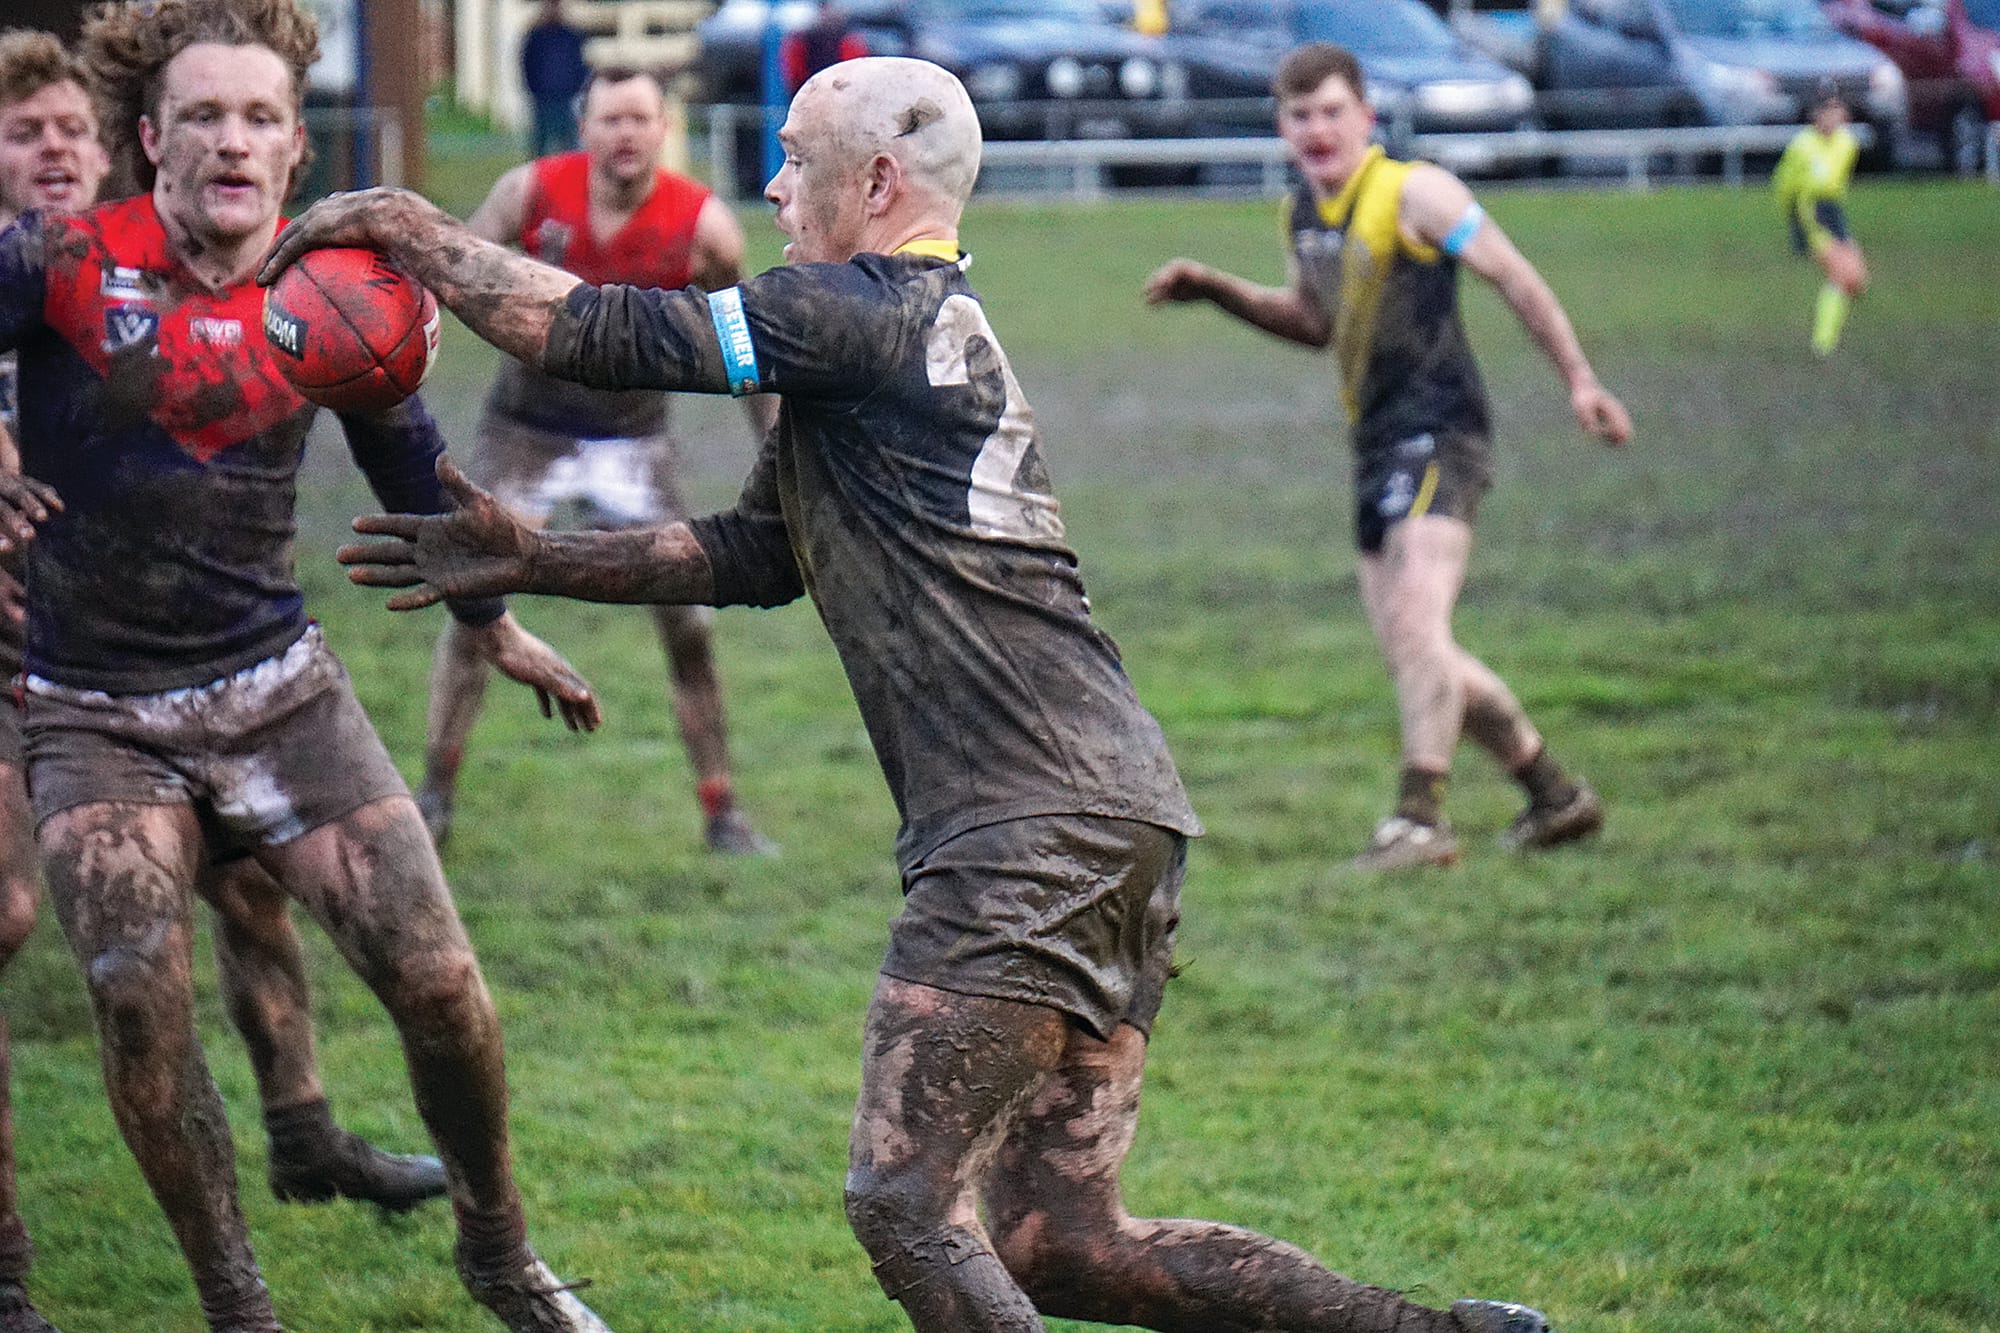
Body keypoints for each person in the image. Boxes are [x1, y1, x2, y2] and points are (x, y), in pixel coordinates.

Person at [275, 55, 1560, 1333]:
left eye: (795, 159)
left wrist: (407, 229)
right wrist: (538, 556)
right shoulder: (900, 338)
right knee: (1065, 1246)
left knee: (900, 1203)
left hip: (1026, 832)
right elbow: (759, 553)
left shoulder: (860, 313)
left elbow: (603, 329)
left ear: (877, 181)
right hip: (1112, 817)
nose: (772, 186)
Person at [0, 1, 613, 1329]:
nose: (232, 139)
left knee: (445, 985)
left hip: (276, 686)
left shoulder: (327, 285)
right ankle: (241, 1308)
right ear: (148, 136)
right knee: (132, 997)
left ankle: (499, 1251)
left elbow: (409, 470)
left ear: (295, 147)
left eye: (261, 117)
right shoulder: (53, 258)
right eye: (204, 115)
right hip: (93, 710)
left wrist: (497, 627)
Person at [1144, 42, 1632, 871]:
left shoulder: (1418, 192)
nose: (1317, 129)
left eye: (1332, 111)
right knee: (1420, 650)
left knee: (1416, 629)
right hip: (1372, 439)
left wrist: (1580, 380)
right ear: (1282, 127)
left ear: (1366, 116)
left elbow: (1514, 276)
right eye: (1300, 117)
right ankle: (1554, 794)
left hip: (1443, 429)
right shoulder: (1304, 212)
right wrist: (1218, 292)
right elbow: (1314, 320)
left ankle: (1420, 818)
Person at [417, 64, 776, 854]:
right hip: (526, 430)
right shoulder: (531, 194)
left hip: (635, 441)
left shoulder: (706, 228)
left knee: (690, 627)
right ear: (583, 128)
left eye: (641, 119)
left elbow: (750, 351)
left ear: (663, 130)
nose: (626, 134)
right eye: (611, 119)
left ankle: (723, 811)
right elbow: (446, 271)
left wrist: (779, 450)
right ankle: (434, 798)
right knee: (476, 610)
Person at [1773, 82, 1867, 357]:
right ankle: (1823, 342)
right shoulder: (1802, 147)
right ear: (1815, 114)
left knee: (1857, 279)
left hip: (1833, 211)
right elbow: (1783, 186)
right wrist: (1795, 224)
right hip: (1809, 210)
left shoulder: (1847, 143)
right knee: (1842, 272)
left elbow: (1838, 183)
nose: (1834, 115)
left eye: (1837, 108)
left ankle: (1826, 334)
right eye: (1827, 109)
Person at [520, 0, 589, 158]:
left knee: (570, 147)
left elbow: (580, 65)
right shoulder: (536, 37)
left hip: (567, 99)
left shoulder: (571, 36)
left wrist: (576, 89)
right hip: (543, 100)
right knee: (541, 147)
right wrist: (534, 91)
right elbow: (527, 65)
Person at [778, 2, 867, 93]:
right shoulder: (801, 41)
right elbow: (795, 76)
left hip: (842, 92)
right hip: (808, 92)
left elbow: (855, 74)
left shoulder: (848, 40)